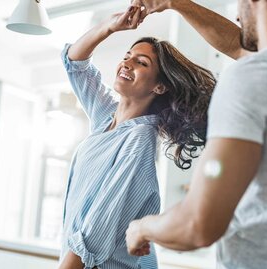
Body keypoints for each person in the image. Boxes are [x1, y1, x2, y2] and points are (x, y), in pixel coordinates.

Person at [126, 0, 267, 268]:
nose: (236, 13)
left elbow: (197, 225)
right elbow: (240, 46)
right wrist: (174, 3)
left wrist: (141, 228)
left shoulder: (249, 78)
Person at [58, 5, 216, 269]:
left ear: (159, 86)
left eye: (141, 63)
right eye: (128, 55)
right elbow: (75, 63)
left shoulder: (139, 141)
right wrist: (110, 26)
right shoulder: (105, 116)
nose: (127, 63)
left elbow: (92, 236)